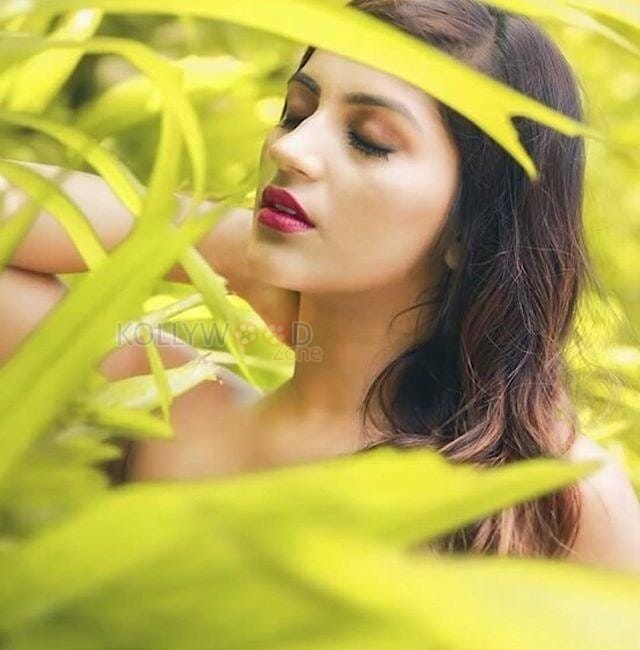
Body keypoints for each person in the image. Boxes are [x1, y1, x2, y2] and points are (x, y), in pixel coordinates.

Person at [1, 0, 639, 570]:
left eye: (369, 140)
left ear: (470, 228)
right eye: (295, 113)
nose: (292, 149)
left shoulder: (546, 501)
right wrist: (225, 242)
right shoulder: (167, 405)